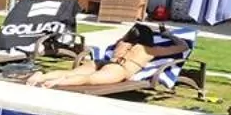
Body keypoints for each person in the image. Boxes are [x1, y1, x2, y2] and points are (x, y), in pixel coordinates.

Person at [26, 22, 177, 89]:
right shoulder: (150, 50)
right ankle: (58, 82)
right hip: (119, 69)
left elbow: (126, 37)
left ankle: (42, 76)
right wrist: (168, 35)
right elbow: (181, 46)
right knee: (89, 80)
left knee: (71, 72)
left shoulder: (121, 43)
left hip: (102, 62)